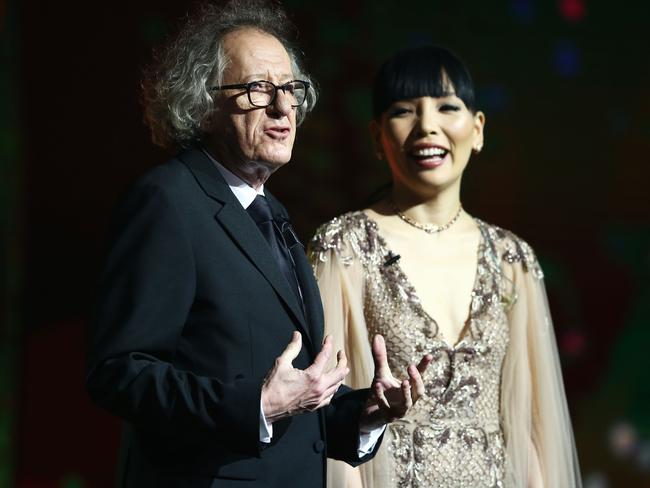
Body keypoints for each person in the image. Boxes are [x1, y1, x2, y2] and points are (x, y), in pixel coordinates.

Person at [84, 2, 432, 487]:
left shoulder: (272, 215)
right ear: (202, 104)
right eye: (257, 89)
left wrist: (366, 412)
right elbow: (119, 373)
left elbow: (294, 413)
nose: (283, 107)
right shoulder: (168, 201)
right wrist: (259, 406)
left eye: (291, 89)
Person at [309, 45, 582, 488]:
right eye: (404, 110)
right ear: (378, 136)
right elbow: (328, 417)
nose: (427, 126)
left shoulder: (513, 259)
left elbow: (531, 426)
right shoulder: (345, 247)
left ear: (477, 129)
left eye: (446, 107)